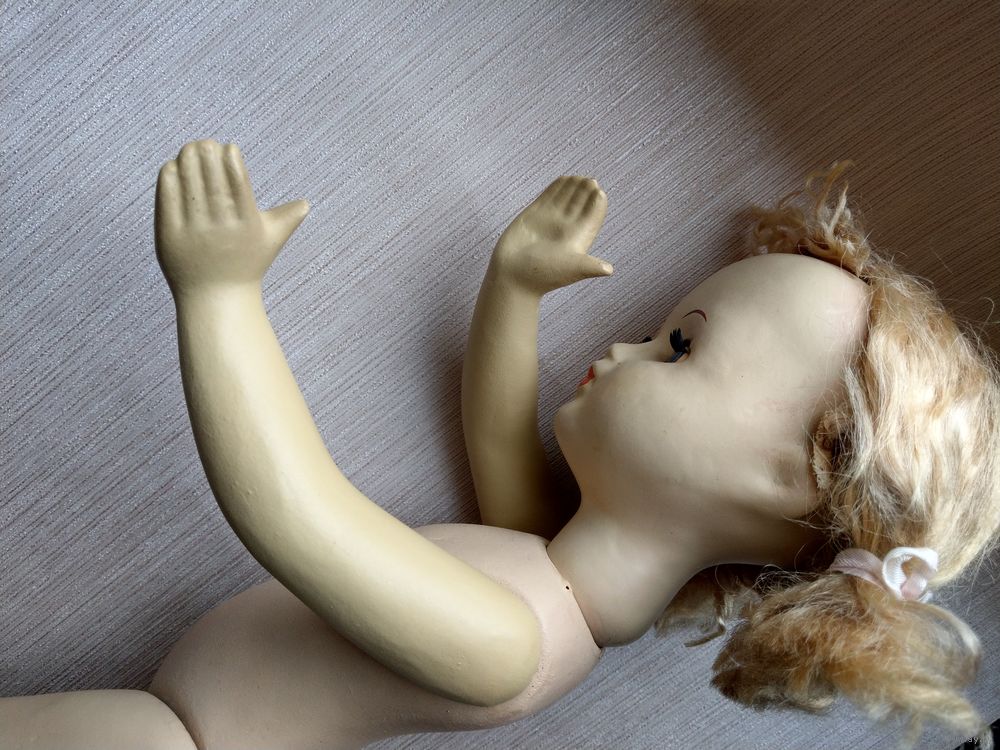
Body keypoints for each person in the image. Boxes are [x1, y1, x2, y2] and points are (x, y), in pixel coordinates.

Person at [2, 142, 996, 750]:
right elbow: (498, 439)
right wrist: (514, 288)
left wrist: (219, 297)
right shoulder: (558, 580)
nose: (623, 348)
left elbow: (297, 515)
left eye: (678, 349)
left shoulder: (511, 643)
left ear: (786, 478)